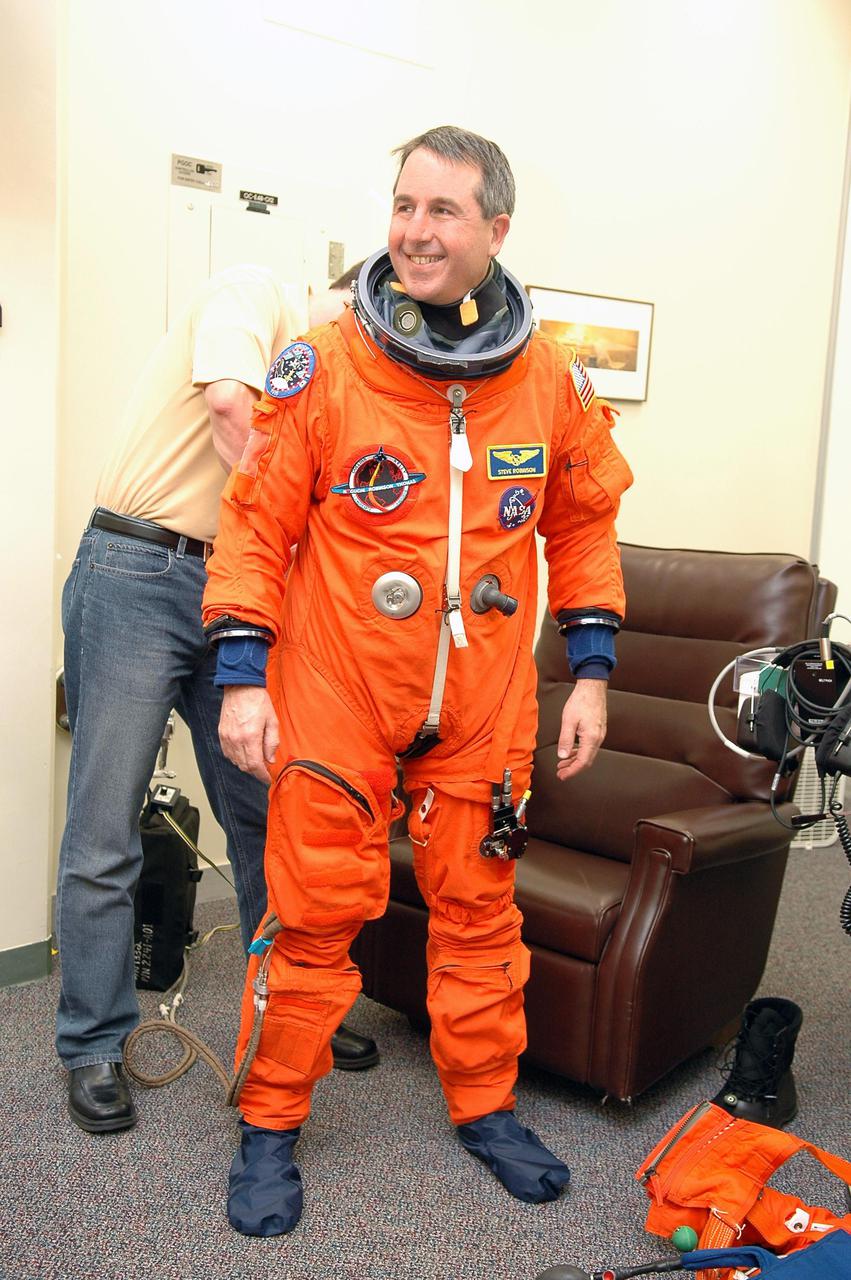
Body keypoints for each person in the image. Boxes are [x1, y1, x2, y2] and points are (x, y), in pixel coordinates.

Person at [202, 126, 634, 1236]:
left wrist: (589, 672)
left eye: (440, 211)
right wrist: (243, 675)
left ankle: (485, 1104)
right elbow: (254, 524)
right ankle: (270, 1119)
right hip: (340, 684)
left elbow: (583, 525)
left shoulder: (543, 377)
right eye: (402, 205)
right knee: (312, 916)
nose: (412, 230)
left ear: (496, 228)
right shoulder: (329, 359)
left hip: (482, 698)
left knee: (479, 911)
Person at [56, 264, 379, 1137]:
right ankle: (91, 1042)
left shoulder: (332, 379)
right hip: (137, 570)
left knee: (267, 820)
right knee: (104, 826)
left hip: (240, 588)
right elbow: (231, 407)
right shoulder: (257, 296)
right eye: (359, 325)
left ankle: (290, 1014)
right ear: (340, 295)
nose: (358, 347)